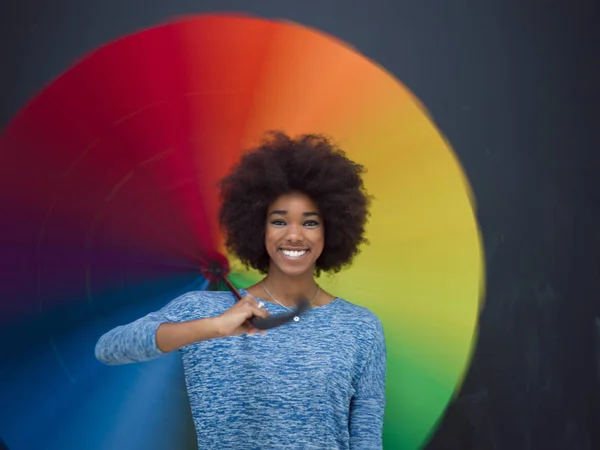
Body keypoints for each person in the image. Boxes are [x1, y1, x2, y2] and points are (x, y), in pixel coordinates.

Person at [95, 131, 387, 449]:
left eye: (310, 222)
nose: (294, 235)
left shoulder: (361, 327)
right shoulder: (203, 310)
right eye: (278, 221)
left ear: (330, 230)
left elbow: (367, 439)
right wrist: (215, 327)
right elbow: (109, 348)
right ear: (257, 228)